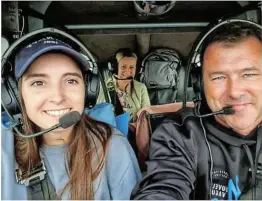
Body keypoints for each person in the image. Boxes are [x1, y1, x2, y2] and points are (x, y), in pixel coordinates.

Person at [131, 21, 262, 200]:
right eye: (218, 77)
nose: (235, 91)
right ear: (200, 85)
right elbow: (163, 186)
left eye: (249, 74)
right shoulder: (180, 135)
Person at [1, 37, 141, 200]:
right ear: (14, 96)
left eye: (71, 81)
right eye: (38, 83)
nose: (58, 97)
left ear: (88, 91)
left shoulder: (111, 144)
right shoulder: (3, 148)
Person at [97, 48, 151, 123]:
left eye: (132, 67)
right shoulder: (104, 87)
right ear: (114, 68)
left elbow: (146, 114)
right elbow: (100, 114)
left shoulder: (141, 87)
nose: (128, 71)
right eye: (123, 67)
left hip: (136, 131)